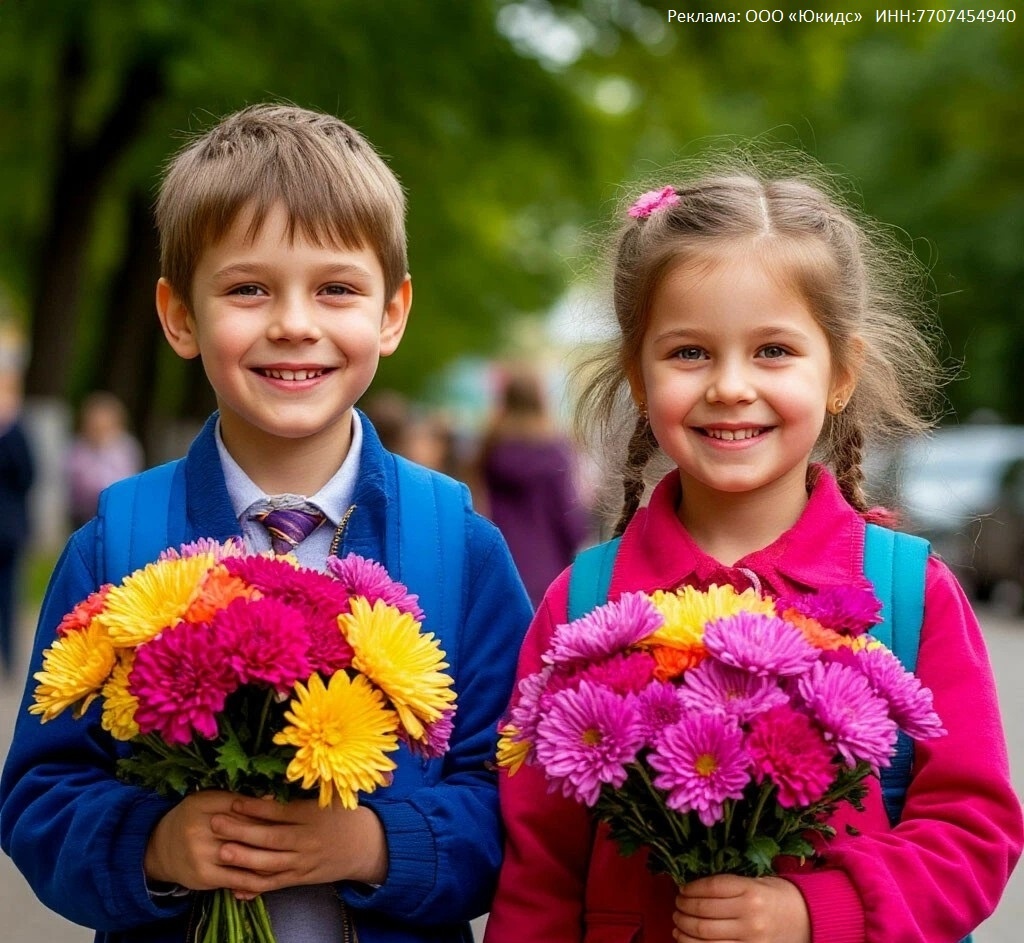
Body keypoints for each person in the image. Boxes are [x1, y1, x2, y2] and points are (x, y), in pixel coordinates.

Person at [0, 103, 532, 943]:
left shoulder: (461, 548)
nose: (293, 322)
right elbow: (40, 795)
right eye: (248, 288)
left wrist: (376, 843)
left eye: (336, 289)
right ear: (180, 316)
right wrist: (154, 845)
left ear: (392, 313)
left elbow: (517, 800)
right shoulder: (116, 543)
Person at [484, 161, 1023, 942]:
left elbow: (971, 836)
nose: (731, 386)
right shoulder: (584, 605)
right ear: (638, 375)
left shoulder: (911, 594)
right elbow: (538, 871)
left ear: (840, 373)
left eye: (773, 350)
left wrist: (814, 909)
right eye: (689, 353)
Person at [476, 366, 590, 606]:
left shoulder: (492, 446)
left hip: (503, 561)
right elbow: (567, 516)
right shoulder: (554, 450)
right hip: (549, 566)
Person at [0, 340, 34, 680]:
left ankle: (9, 658)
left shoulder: (15, 430)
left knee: (8, 595)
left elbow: (27, 474)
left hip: (7, 529)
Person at [65, 391, 144, 530]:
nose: (98, 432)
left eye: (104, 427)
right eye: (94, 427)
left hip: (116, 512)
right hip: (83, 514)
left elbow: (126, 478)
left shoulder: (125, 448)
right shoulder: (78, 448)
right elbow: (76, 482)